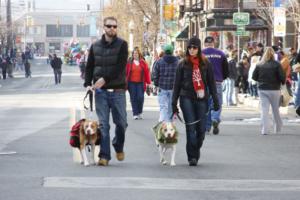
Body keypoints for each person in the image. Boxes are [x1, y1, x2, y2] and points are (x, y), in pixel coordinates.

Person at [84, 16, 128, 166]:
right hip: (101, 93)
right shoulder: (95, 46)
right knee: (103, 125)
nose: (112, 29)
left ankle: (118, 145)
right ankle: (104, 156)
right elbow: (89, 67)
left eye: (115, 26)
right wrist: (87, 84)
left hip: (118, 91)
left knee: (121, 124)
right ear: (104, 28)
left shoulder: (123, 45)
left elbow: (120, 67)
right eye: (109, 26)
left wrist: (105, 79)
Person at [172, 37, 219, 166]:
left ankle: (196, 148)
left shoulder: (206, 63)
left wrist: (215, 100)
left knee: (201, 130)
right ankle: (192, 157)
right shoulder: (182, 64)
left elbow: (211, 83)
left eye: (195, 47)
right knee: (191, 127)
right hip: (186, 97)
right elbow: (176, 85)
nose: (192, 50)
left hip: (202, 98)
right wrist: (173, 104)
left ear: (199, 49)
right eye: (190, 47)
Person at [252, 47, 286, 135]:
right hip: (275, 89)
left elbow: (254, 77)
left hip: (262, 89)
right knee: (275, 110)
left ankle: (265, 130)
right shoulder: (277, 64)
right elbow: (282, 77)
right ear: (273, 54)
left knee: (264, 110)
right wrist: (282, 82)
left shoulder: (259, 64)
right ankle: (277, 128)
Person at [202, 36, 228, 135]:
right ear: (214, 43)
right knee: (217, 102)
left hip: (204, 83)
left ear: (205, 44)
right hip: (217, 82)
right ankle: (215, 118)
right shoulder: (221, 54)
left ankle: (207, 127)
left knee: (206, 104)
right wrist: (222, 77)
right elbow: (226, 69)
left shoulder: (200, 54)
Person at [152, 44, 178, 122]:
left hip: (162, 87)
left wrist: (156, 84)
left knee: (163, 106)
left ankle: (162, 120)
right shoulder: (178, 62)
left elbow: (155, 74)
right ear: (172, 51)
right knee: (170, 107)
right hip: (173, 88)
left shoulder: (159, 61)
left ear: (164, 52)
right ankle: (169, 123)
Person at [126, 47, 151, 120]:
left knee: (140, 97)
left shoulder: (143, 62)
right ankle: (135, 113)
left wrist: (148, 82)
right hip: (131, 83)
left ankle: (139, 112)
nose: (135, 54)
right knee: (133, 98)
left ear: (139, 54)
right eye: (134, 53)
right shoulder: (129, 62)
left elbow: (147, 73)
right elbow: (126, 72)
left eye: (136, 53)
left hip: (140, 83)